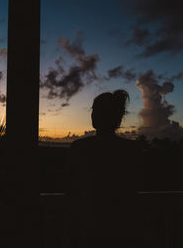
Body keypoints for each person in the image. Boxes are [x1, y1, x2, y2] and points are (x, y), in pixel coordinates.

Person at [64, 90, 142, 248]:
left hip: (88, 227)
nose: (92, 115)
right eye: (93, 110)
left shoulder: (79, 148)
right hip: (122, 228)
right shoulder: (130, 149)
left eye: (96, 111)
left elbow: (70, 188)